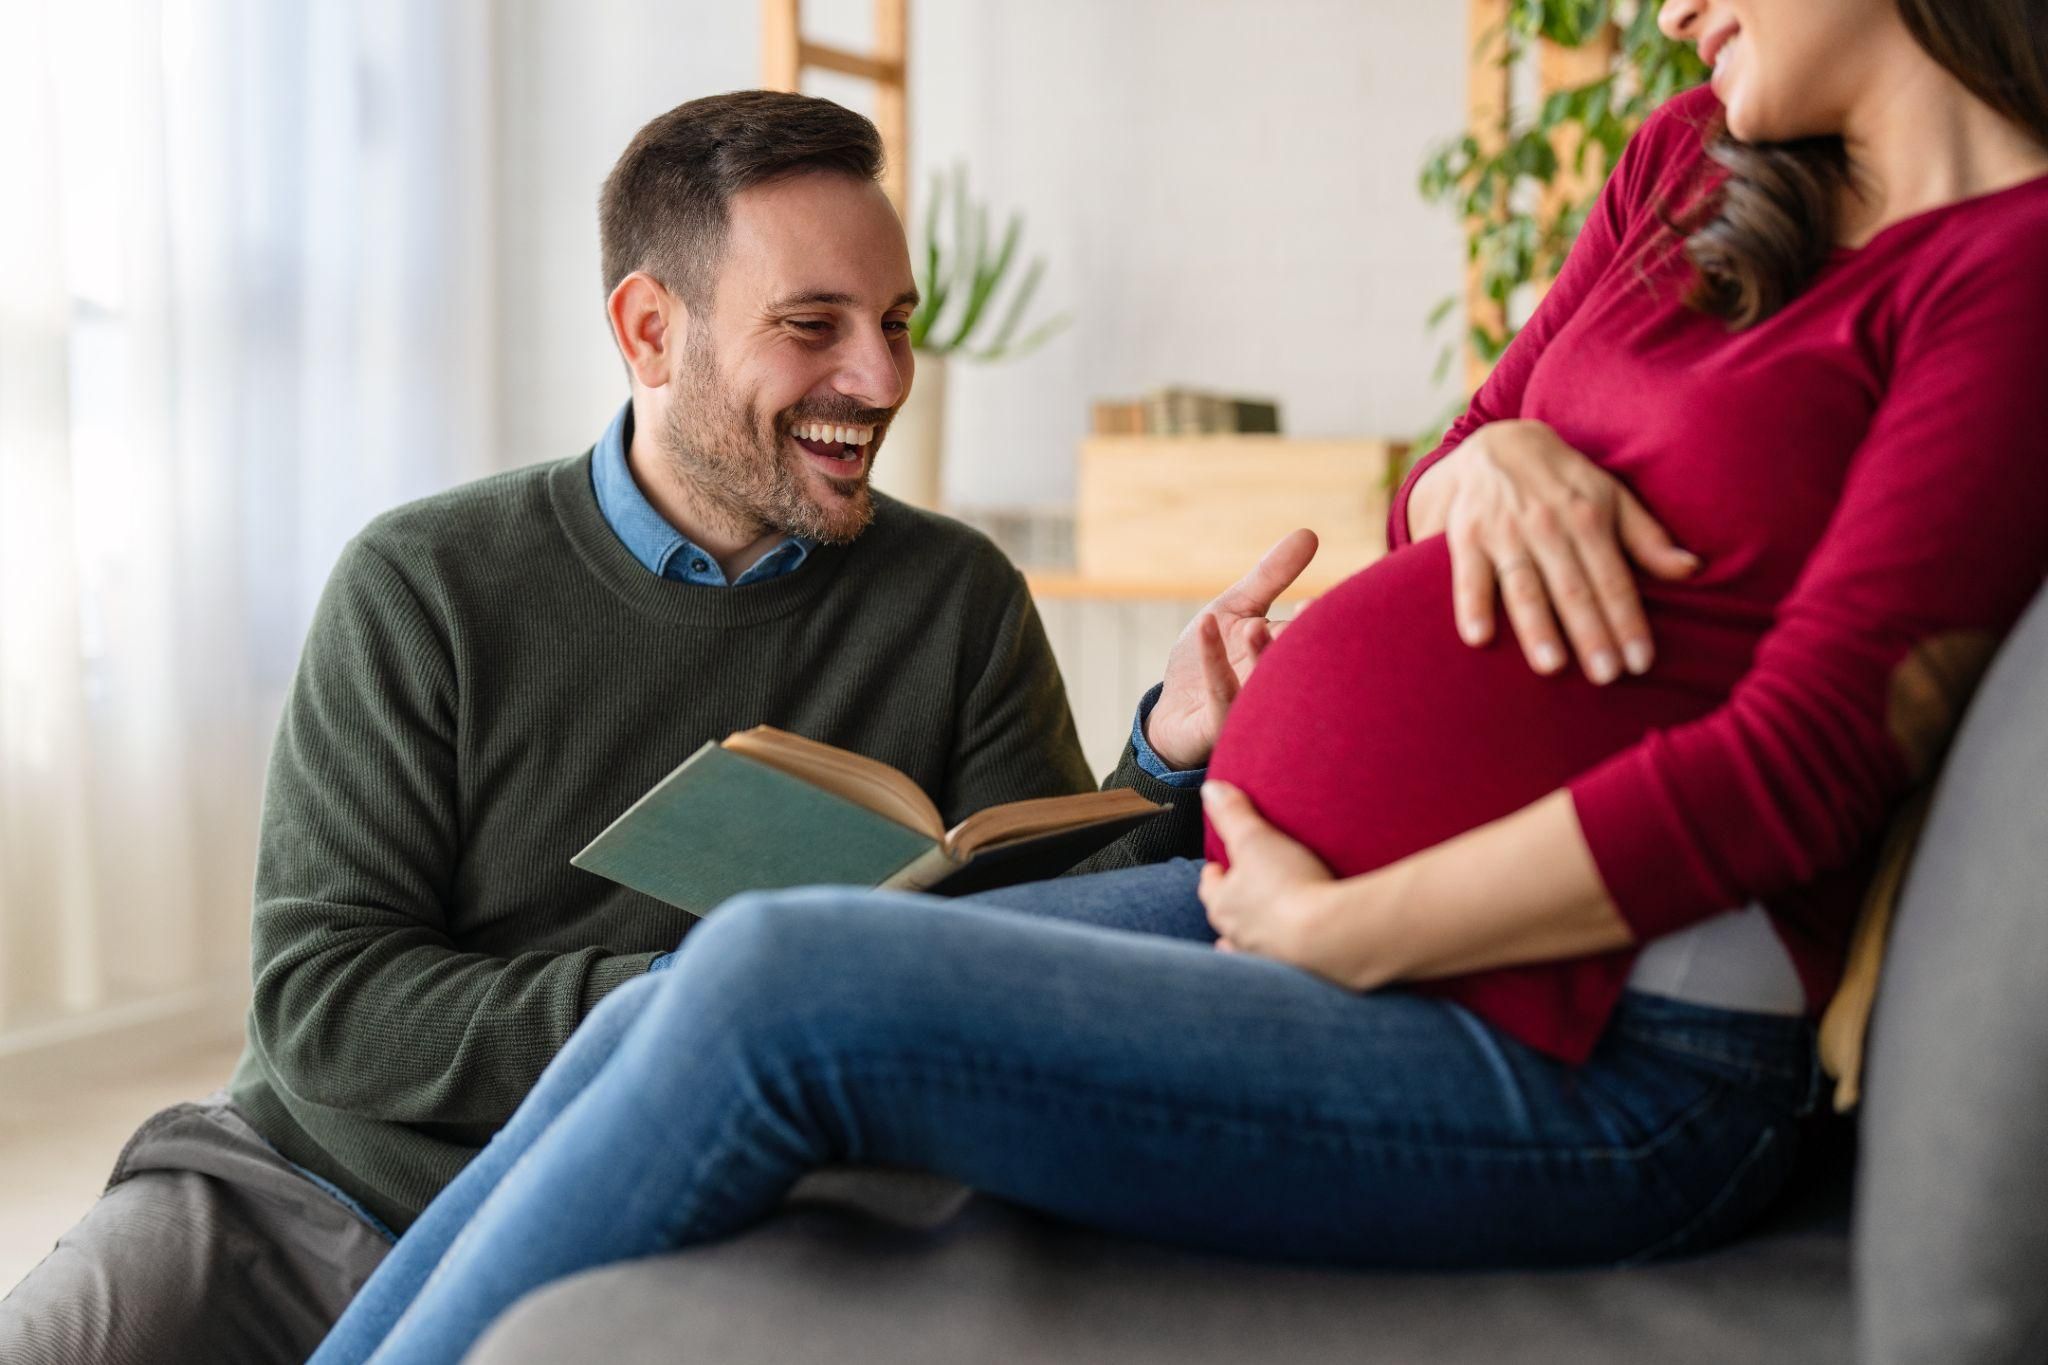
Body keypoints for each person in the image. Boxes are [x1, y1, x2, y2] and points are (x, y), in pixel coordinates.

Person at [308, 0, 2048, 1359]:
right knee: (690, 988)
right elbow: (1439, 464)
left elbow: (1798, 766)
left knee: (781, 996)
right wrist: (1495, 460)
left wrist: (1359, 933)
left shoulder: (2006, 276)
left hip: (1592, 1043)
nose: (1668, 15)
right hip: (1322, 917)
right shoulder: (1686, 164)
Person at [0, 90, 1276, 1365]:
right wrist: (696, 1007)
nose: (880, 378)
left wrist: (1167, 751)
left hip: (670, 1237)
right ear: (650, 330)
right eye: (810, 325)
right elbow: (328, 1006)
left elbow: (1032, 951)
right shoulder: (421, 584)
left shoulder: (954, 598)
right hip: (304, 1199)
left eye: (894, 324)